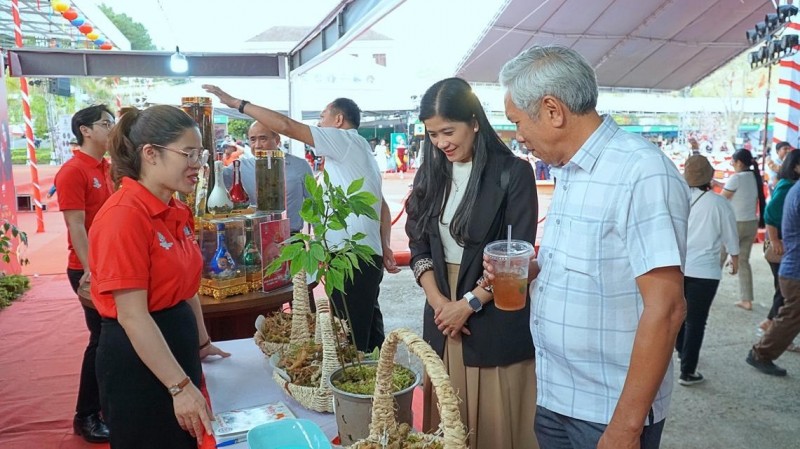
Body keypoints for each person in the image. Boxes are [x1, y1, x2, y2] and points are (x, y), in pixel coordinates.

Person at [496, 45, 688, 449]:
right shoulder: (569, 170)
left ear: (552, 110)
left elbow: (667, 308)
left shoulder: (641, 171)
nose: (519, 136)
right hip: (556, 395)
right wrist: (530, 269)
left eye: (517, 122)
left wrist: (626, 427)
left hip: (607, 411)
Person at [202, 84, 400, 352]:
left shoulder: (343, 140)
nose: (318, 124)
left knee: (349, 339)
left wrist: (238, 103)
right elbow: (381, 205)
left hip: (351, 257)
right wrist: (384, 245)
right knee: (368, 329)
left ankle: (357, 377)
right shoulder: (355, 152)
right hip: (361, 255)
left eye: (322, 117)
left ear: (338, 120)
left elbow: (286, 125)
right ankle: (377, 375)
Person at [406, 78, 538, 449]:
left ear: (475, 122)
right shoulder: (430, 173)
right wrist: (440, 304)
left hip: (492, 315)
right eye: (433, 134)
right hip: (442, 314)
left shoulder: (513, 173)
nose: (441, 143)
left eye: (448, 132)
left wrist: (468, 304)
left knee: (496, 425)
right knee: (449, 422)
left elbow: (517, 256)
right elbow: (418, 245)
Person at [88, 105, 230, 448]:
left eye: (201, 154)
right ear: (150, 154)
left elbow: (186, 289)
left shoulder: (176, 210)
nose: (198, 164)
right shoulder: (123, 216)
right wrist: (179, 387)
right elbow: (133, 316)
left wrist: (201, 341)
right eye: (188, 153)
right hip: (139, 359)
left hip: (174, 348)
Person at [54, 104, 115, 443]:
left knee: (112, 337)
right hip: (87, 269)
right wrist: (92, 269)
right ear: (85, 130)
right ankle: (86, 414)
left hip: (112, 264)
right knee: (101, 338)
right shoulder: (73, 171)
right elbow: (75, 225)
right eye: (105, 123)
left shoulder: (108, 168)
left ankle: (106, 404)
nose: (111, 129)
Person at [675, 155, 739, 386]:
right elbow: (730, 235)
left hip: (679, 268)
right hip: (705, 272)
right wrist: (735, 258)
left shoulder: (678, 200)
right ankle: (687, 371)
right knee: (696, 321)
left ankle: (682, 351)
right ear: (710, 177)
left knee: (680, 315)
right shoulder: (719, 203)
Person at [746, 179, 800, 376]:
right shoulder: (792, 189)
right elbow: (769, 215)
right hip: (795, 269)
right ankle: (761, 353)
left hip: (793, 267)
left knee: (791, 315)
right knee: (791, 316)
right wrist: (774, 240)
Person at [222, 121, 313, 233]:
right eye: (253, 140)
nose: (257, 145)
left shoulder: (299, 165)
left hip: (291, 237)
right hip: (254, 236)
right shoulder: (239, 168)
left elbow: (314, 204)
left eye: (263, 138)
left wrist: (321, 238)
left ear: (277, 140)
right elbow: (216, 180)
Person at [758, 149, 800, 340]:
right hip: (782, 244)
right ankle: (772, 327)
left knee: (783, 292)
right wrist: (774, 240)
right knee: (785, 292)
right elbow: (769, 214)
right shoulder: (788, 187)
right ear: (795, 166)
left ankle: (772, 324)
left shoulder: (790, 185)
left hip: (786, 243)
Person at [721, 148, 767, 311]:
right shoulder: (754, 177)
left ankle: (707, 292)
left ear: (739, 163)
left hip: (735, 224)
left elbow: (722, 198)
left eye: (733, 162)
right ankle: (746, 299)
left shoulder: (736, 178)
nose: (732, 164)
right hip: (751, 223)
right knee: (743, 261)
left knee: (718, 259)